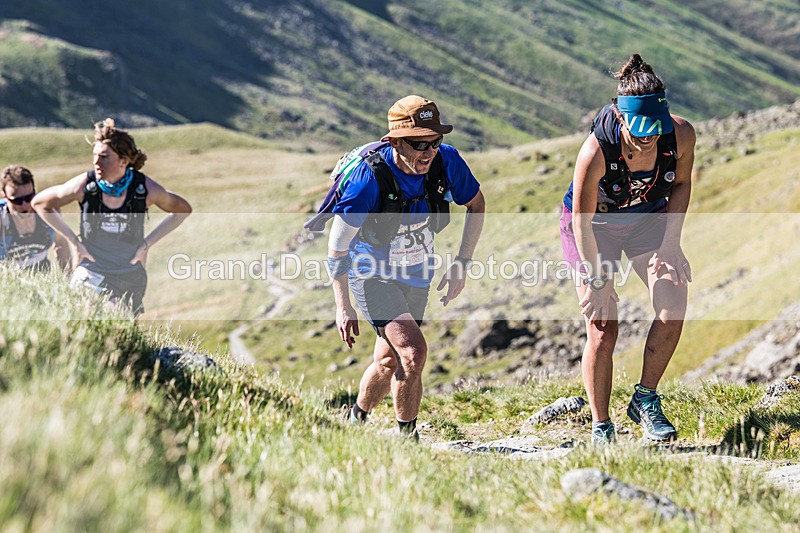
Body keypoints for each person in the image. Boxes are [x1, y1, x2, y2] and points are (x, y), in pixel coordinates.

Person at [329, 95, 485, 439]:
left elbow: (476, 203)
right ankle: (407, 439)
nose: (428, 152)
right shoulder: (368, 180)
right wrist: (343, 306)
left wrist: (462, 262)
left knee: (387, 362)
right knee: (413, 352)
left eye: (435, 141)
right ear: (395, 141)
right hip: (371, 276)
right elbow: (337, 247)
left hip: (417, 274)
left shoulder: (447, 161)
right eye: (418, 144)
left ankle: (354, 421)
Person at [560, 54, 695, 444]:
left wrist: (671, 242)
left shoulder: (681, 135)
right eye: (638, 129)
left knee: (673, 306)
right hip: (594, 228)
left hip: (647, 223)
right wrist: (597, 279)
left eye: (654, 129)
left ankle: (645, 400)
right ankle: (602, 426)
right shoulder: (595, 151)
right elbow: (581, 222)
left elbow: (682, 185)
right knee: (603, 327)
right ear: (620, 117)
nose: (647, 138)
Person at [33, 118, 192, 316]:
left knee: (122, 327)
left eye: (104, 157)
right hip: (91, 269)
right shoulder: (85, 186)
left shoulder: (144, 189)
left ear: (124, 161)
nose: (96, 162)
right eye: (95, 155)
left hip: (129, 274)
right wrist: (73, 241)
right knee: (92, 316)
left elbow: (183, 209)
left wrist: (146, 244)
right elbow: (40, 203)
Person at [1, 165, 68, 270]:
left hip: (41, 269)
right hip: (6, 273)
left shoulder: (48, 210)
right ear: (4, 195)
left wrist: (68, 278)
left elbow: (61, 244)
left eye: (28, 198)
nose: (24, 205)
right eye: (17, 200)